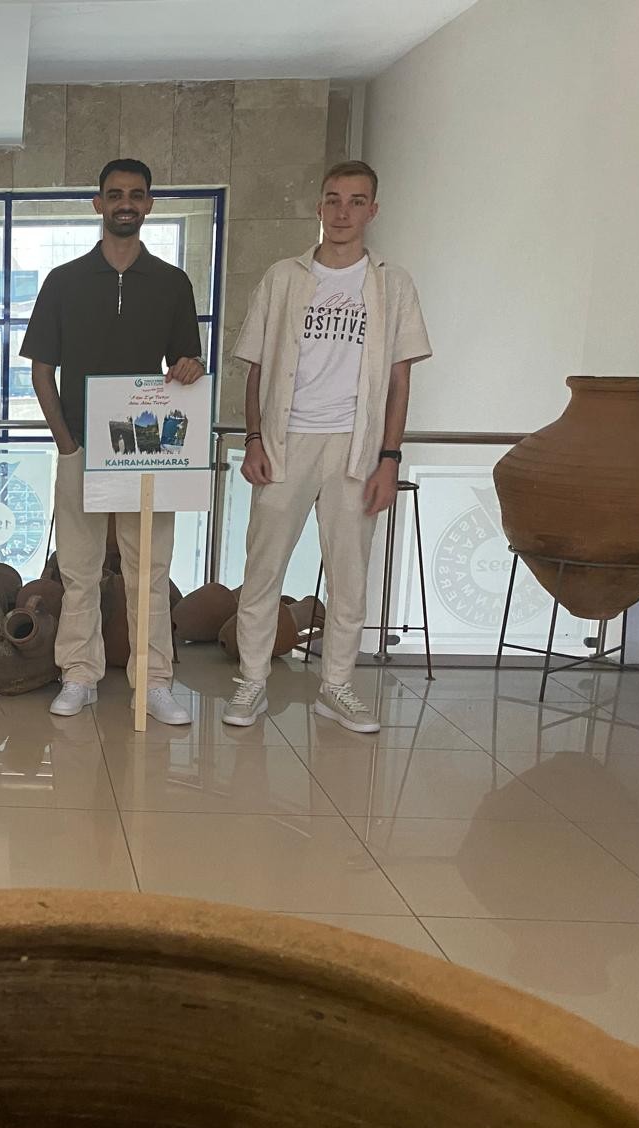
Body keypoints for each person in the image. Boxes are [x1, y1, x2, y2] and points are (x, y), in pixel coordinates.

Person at [222, 160, 432, 733]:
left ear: (373, 210)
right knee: (263, 566)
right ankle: (252, 681)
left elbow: (400, 380)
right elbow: (256, 368)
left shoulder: (392, 283)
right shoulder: (283, 278)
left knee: (349, 573)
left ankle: (336, 686)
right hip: (285, 442)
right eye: (334, 200)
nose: (343, 212)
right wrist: (254, 439)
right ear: (319, 207)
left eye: (356, 201)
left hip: (355, 446)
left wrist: (389, 459)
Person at [22, 158, 206, 724]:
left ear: (148, 204)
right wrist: (66, 443)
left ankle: (154, 682)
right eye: (115, 193)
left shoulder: (172, 283)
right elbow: (41, 371)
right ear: (98, 203)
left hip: (147, 451)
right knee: (78, 570)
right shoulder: (64, 281)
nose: (126, 202)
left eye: (136, 194)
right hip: (81, 447)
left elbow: (187, 363)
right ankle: (78, 675)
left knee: (148, 570)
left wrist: (190, 369)